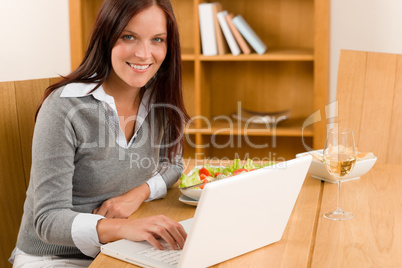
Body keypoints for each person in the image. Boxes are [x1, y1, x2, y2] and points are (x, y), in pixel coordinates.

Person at [10, 0, 190, 266]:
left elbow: (173, 164)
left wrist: (137, 194)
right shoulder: (64, 107)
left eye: (157, 39)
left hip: (118, 250)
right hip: (55, 257)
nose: (144, 53)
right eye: (129, 36)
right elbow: (48, 219)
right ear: (106, 37)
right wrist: (124, 228)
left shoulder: (159, 100)